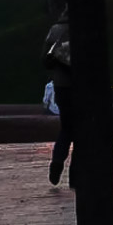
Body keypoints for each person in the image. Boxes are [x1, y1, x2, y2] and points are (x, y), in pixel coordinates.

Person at [42, 10, 74, 186]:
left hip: (61, 85)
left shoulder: (55, 29)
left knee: (67, 127)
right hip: (82, 86)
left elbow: (44, 58)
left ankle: (57, 161)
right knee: (83, 130)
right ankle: (76, 175)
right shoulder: (85, 27)